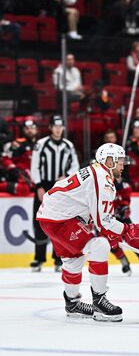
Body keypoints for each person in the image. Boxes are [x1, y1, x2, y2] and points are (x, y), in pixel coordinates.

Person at [36, 143, 139, 321]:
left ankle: (72, 303)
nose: (123, 165)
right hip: (61, 219)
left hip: (52, 216)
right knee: (100, 245)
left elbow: (96, 218)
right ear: (109, 161)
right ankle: (99, 302)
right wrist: (128, 229)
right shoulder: (103, 179)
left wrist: (116, 232)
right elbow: (104, 222)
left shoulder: (96, 172)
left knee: (73, 258)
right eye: (120, 161)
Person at [30, 116, 79, 272]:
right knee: (39, 222)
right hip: (44, 185)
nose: (58, 129)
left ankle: (58, 259)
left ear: (63, 128)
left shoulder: (68, 145)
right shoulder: (41, 144)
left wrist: (67, 176)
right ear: (51, 127)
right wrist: (38, 185)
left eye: (61, 126)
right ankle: (39, 258)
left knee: (59, 222)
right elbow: (35, 166)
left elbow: (75, 166)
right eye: (55, 126)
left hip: (60, 187)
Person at [1, 118, 38, 196]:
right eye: (27, 128)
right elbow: (5, 158)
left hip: (36, 178)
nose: (30, 130)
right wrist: (13, 169)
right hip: (21, 178)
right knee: (24, 189)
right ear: (23, 130)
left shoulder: (41, 144)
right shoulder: (18, 144)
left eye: (32, 128)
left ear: (36, 129)